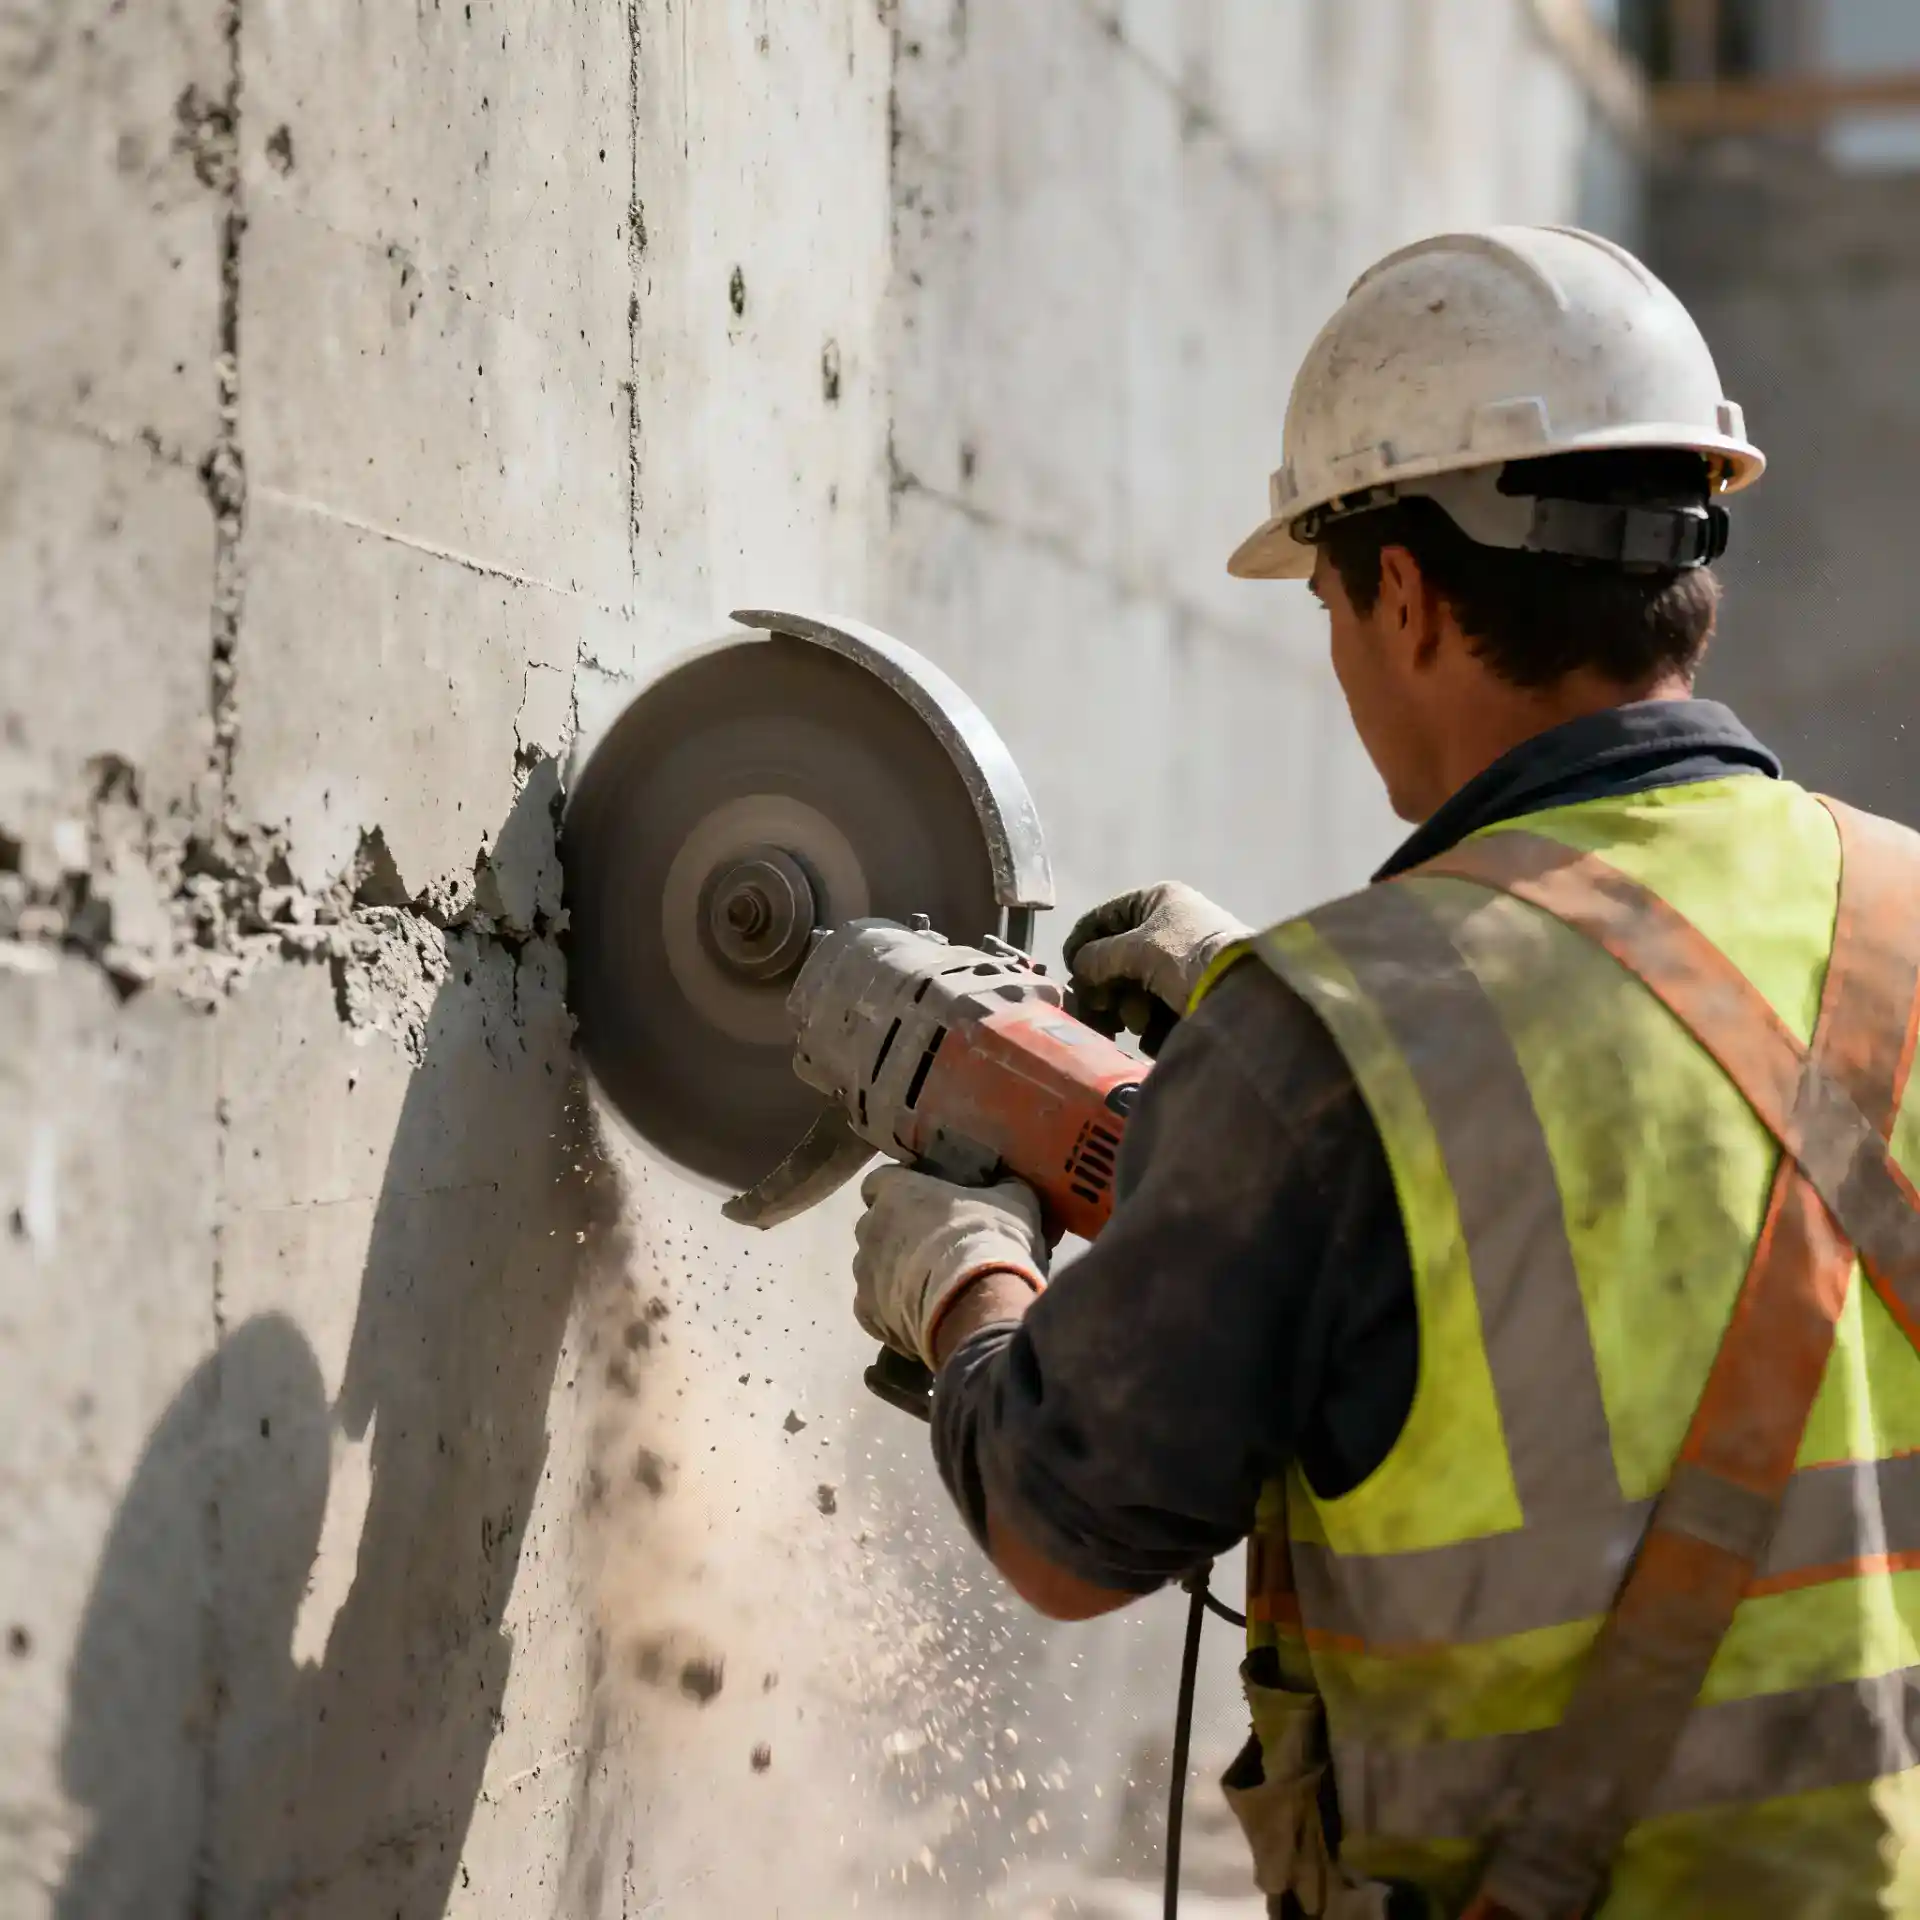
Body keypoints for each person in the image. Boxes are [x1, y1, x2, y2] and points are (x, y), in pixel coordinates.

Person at [848, 226, 1920, 1917]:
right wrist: (1269, 1036)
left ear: (1404, 597)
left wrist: (963, 1277)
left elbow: (1063, 1523)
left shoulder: (1332, 1036)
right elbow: (1700, 1165)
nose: (1340, 653)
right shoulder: (1906, 909)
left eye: (1331, 604)